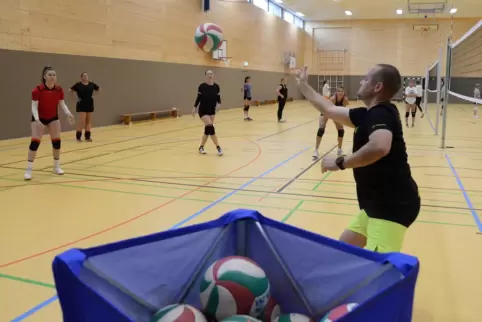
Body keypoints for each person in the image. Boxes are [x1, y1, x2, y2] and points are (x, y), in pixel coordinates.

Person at [294, 64, 420, 253]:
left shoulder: (381, 113)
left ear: (377, 87)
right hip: (375, 204)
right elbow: (328, 109)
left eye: (366, 78)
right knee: (344, 251)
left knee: (378, 271)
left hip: (391, 206)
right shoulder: (367, 114)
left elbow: (380, 146)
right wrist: (303, 85)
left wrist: (341, 162)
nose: (361, 81)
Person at [25, 66, 75, 180]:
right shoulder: (37, 90)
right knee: (35, 143)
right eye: (50, 75)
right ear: (44, 77)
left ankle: (56, 167)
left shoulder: (59, 89)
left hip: (53, 118)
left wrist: (68, 113)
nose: (52, 77)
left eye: (54, 75)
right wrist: (37, 120)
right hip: (39, 118)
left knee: (57, 142)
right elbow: (34, 106)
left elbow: (62, 103)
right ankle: (28, 170)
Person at [192, 69, 223, 156]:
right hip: (203, 110)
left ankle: (201, 147)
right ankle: (218, 148)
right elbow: (198, 98)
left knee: (208, 130)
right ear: (206, 75)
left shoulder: (216, 86)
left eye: (211, 74)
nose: (210, 75)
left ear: (213, 75)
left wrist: (219, 105)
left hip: (212, 111)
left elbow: (219, 99)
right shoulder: (202, 86)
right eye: (208, 74)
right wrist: (194, 107)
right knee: (210, 127)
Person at [313, 86, 349, 159]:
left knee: (341, 130)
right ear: (336, 92)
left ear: (344, 92)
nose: (340, 93)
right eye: (338, 91)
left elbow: (343, 109)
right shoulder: (332, 99)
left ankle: (339, 149)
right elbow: (328, 110)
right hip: (326, 111)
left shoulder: (345, 100)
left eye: (342, 91)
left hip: (335, 113)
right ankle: (316, 150)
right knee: (321, 130)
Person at [69, 72, 100, 142]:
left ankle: (87, 137)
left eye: (86, 76)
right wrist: (75, 98)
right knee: (82, 121)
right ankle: (78, 137)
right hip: (81, 104)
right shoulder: (78, 85)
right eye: (84, 76)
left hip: (89, 103)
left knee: (88, 121)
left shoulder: (92, 84)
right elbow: (70, 90)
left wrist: (93, 96)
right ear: (81, 77)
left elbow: (98, 89)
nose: (85, 77)